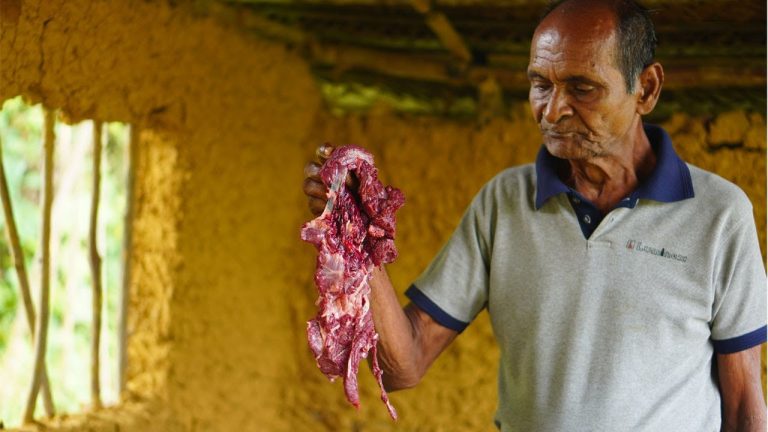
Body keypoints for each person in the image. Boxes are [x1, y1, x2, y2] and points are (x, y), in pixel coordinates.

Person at [302, 0, 767, 430]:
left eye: (582, 88)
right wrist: (355, 236)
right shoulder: (503, 204)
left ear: (645, 89)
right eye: (540, 84)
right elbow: (401, 366)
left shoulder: (718, 215)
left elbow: (746, 405)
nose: (553, 109)